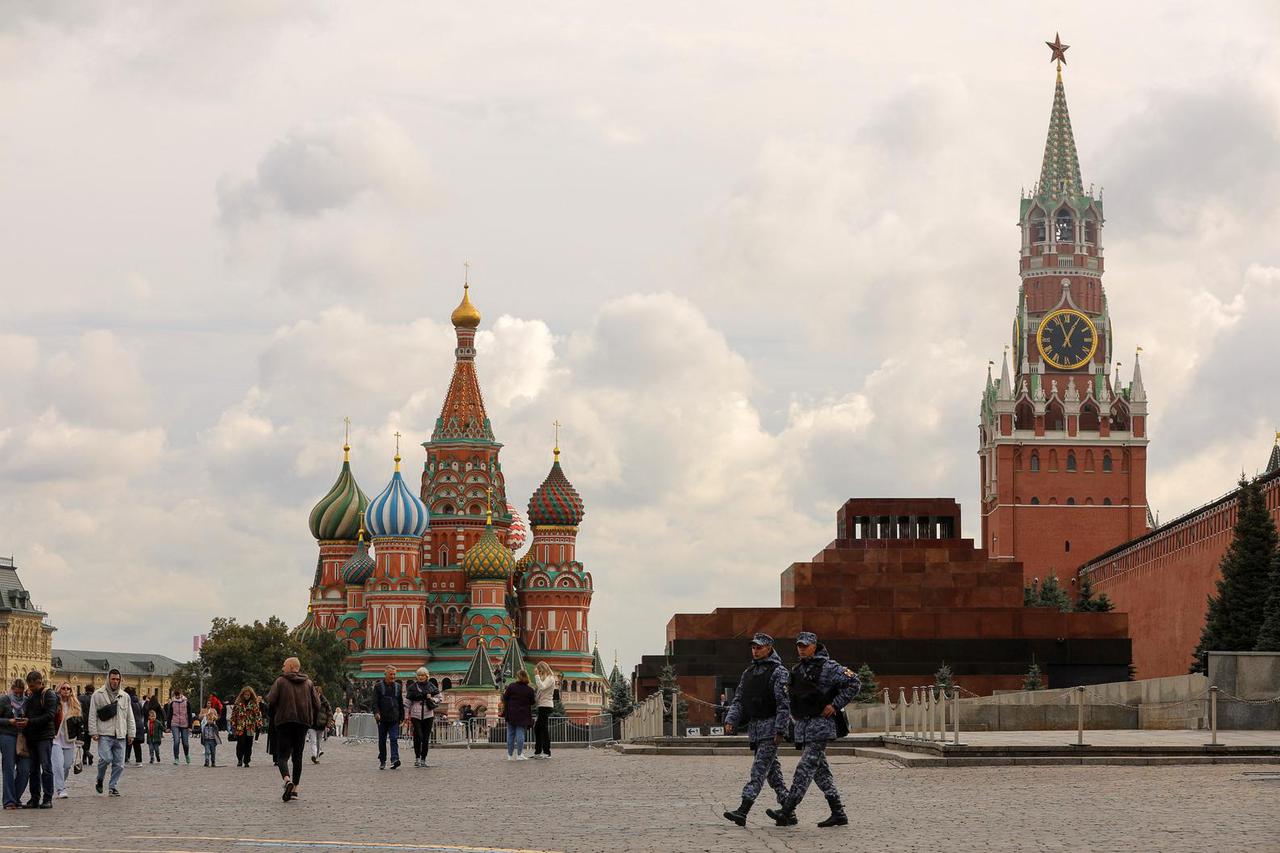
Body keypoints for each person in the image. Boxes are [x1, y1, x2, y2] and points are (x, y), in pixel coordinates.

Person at [766, 632, 858, 829]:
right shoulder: (797, 670)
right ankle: (838, 813)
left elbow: (854, 683)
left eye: (805, 646)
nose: (801, 649)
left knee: (805, 768)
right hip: (804, 727)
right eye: (799, 645)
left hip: (820, 726)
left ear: (814, 646)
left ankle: (787, 810)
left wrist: (835, 704)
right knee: (820, 772)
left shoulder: (829, 667)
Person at [721, 632, 791, 826]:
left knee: (758, 770)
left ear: (769, 648)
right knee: (773, 773)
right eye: (753, 647)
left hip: (770, 729)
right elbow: (739, 700)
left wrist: (780, 730)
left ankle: (743, 810)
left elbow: (783, 704)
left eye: (759, 647)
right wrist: (731, 719)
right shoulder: (748, 673)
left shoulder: (779, 672)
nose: (755, 651)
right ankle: (788, 810)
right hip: (755, 729)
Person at [266, 657, 319, 802]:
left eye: (284, 665)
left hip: (284, 721)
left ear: (290, 666)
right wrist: (310, 718)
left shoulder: (280, 681)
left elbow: (271, 700)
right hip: (303, 722)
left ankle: (287, 780)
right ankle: (295, 789)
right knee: (298, 756)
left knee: (282, 756)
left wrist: (273, 715)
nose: (282, 668)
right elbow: (317, 704)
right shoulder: (308, 683)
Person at [89, 668, 135, 798]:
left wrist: (131, 733)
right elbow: (92, 715)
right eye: (113, 679)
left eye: (117, 679)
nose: (115, 681)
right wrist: (93, 732)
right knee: (106, 758)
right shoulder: (98, 694)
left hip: (120, 734)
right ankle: (100, 778)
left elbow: (129, 716)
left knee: (119, 764)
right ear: (108, 679)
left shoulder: (124, 696)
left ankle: (113, 786)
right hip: (105, 733)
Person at [22, 671, 57, 808]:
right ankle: (34, 798)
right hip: (32, 737)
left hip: (44, 736)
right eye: (29, 686)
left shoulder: (48, 694)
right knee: (33, 769)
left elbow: (50, 715)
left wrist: (30, 722)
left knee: (46, 767)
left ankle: (47, 798)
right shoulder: (31, 696)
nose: (30, 689)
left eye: (32, 686)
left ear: (39, 682)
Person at [0, 678, 31, 810]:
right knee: (8, 768)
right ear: (12, 690)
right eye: (16, 692)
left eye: (20, 693)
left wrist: (27, 721)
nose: (18, 695)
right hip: (7, 736)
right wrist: (9, 721)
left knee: (25, 769)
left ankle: (15, 797)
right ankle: (9, 801)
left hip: (23, 737)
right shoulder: (4, 700)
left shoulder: (27, 702)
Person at [51, 682, 83, 799]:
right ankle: (61, 789)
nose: (66, 690)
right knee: (58, 765)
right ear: (59, 690)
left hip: (69, 740)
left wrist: (80, 740)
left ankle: (58, 783)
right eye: (63, 688)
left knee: (67, 765)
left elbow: (79, 725)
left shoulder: (75, 706)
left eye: (68, 688)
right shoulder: (54, 704)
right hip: (55, 739)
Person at [499, 669, 536, 761]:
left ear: (518, 677)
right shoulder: (529, 690)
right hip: (523, 714)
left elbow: (505, 698)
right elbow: (532, 702)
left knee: (510, 734)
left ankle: (509, 755)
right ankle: (519, 755)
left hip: (511, 713)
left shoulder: (511, 686)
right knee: (520, 734)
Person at [405, 667, 438, 768]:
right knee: (418, 736)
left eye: (422, 675)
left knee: (426, 738)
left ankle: (424, 759)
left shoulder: (431, 686)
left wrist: (431, 698)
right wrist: (406, 715)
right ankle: (417, 758)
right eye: (419, 675)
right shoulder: (412, 687)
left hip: (428, 714)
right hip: (416, 714)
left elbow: (439, 698)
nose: (420, 677)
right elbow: (407, 702)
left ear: (426, 676)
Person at [372, 666, 402, 770]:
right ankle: (382, 760)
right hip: (382, 718)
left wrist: (402, 717)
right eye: (391, 674)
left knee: (394, 738)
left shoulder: (398, 687)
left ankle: (395, 759)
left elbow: (400, 702)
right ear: (385, 675)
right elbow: (375, 701)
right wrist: (376, 712)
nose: (393, 676)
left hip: (394, 717)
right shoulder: (378, 686)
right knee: (382, 740)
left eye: (394, 674)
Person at [230, 687, 263, 768]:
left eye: (248, 695)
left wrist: (259, 723)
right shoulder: (238, 703)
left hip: (250, 727)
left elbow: (258, 714)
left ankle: (246, 761)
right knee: (240, 743)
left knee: (249, 744)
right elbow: (234, 714)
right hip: (240, 726)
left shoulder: (254, 704)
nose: (246, 696)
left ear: (251, 695)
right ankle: (239, 759)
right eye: (245, 695)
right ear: (242, 694)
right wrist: (233, 723)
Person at [532, 662, 557, 759]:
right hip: (542, 705)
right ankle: (538, 752)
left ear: (543, 669)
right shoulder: (545, 678)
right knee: (538, 728)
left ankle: (546, 752)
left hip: (546, 705)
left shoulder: (550, 678)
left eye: (540, 671)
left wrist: (536, 676)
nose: (539, 673)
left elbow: (542, 687)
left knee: (543, 729)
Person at [164, 689, 192, 765]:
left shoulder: (186, 702)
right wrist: (168, 727)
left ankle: (187, 755)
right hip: (175, 724)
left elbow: (189, 714)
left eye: (178, 695)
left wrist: (190, 726)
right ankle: (176, 758)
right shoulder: (172, 703)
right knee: (176, 741)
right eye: (176, 695)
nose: (177, 697)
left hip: (185, 724)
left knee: (185, 743)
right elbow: (169, 715)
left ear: (181, 694)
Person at [306, 684, 330, 765]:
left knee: (319, 742)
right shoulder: (309, 701)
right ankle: (314, 755)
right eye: (315, 693)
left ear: (320, 693)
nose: (316, 694)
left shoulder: (325, 702)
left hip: (321, 725)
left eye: (318, 693)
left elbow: (329, 712)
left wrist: (328, 723)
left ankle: (317, 757)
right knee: (313, 741)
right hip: (312, 724)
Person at [124, 687, 145, 764]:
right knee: (137, 744)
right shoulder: (138, 702)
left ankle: (126, 758)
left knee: (127, 743)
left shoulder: (128, 702)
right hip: (139, 724)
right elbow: (142, 713)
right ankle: (139, 761)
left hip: (131, 724)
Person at [77, 685, 93, 767]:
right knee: (88, 742)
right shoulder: (93, 698)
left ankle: (87, 755)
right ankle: (85, 757)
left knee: (82, 741)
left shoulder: (80, 698)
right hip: (90, 723)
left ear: (85, 689)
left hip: (81, 722)